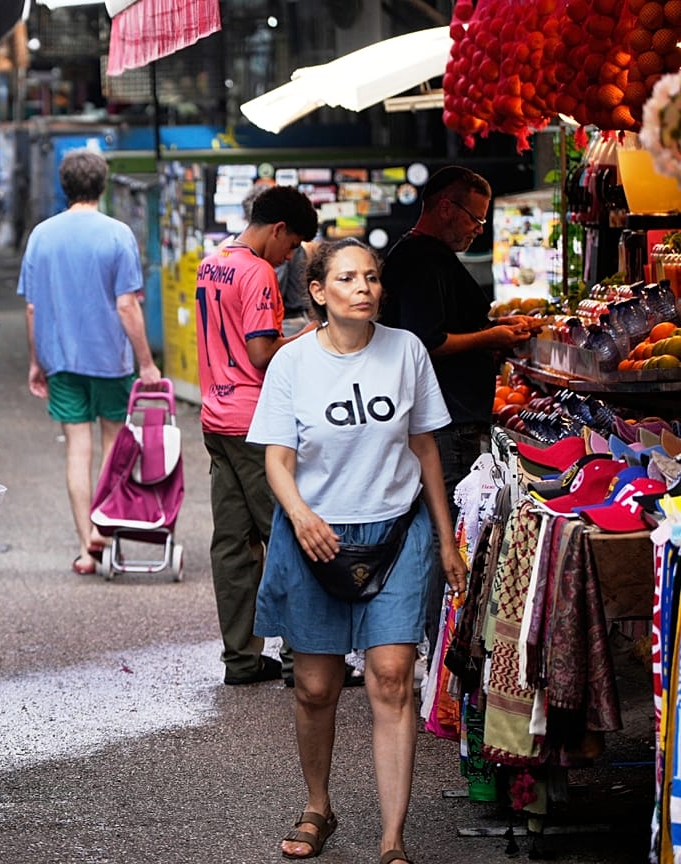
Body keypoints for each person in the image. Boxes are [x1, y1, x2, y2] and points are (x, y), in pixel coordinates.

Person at [246, 238, 466, 864]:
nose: (364, 288)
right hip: (315, 536)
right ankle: (319, 806)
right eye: (348, 278)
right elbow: (277, 459)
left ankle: (393, 838)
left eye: (372, 277)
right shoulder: (292, 363)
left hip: (396, 534)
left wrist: (447, 541)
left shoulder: (406, 351)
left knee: (393, 678)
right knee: (315, 687)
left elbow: (426, 450)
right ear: (319, 292)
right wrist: (300, 515)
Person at [194, 184, 318, 687]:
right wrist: (308, 336)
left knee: (232, 543)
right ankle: (300, 660)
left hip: (215, 419)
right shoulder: (258, 271)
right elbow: (263, 353)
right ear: (279, 230)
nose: (289, 257)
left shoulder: (212, 261)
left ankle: (242, 659)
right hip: (254, 423)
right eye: (291, 248)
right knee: (284, 536)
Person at [19, 148, 160, 576]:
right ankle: (104, 521)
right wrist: (147, 363)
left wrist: (36, 360)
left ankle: (86, 546)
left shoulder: (41, 235)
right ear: (102, 185)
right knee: (113, 446)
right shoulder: (118, 235)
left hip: (60, 358)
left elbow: (31, 308)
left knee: (76, 450)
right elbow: (127, 306)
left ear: (64, 186)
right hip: (111, 360)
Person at [381, 166, 534, 511]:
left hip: (450, 419)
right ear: (447, 208)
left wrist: (492, 326)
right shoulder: (422, 260)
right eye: (475, 220)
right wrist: (490, 337)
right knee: (447, 527)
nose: (479, 231)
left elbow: (447, 323)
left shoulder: (426, 255)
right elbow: (427, 341)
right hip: (446, 423)